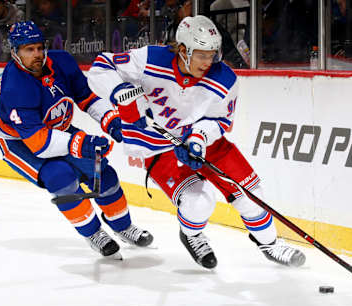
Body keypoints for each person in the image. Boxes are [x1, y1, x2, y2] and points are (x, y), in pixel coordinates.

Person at [87, 15, 306, 269]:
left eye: (212, 54)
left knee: (251, 195)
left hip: (207, 143)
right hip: (161, 148)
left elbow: (221, 120)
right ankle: (191, 234)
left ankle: (269, 244)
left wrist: (198, 138)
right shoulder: (151, 59)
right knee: (199, 203)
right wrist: (116, 89)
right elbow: (102, 66)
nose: (208, 61)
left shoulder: (224, 78)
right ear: (182, 50)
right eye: (201, 55)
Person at [0, 21, 154, 259]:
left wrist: (113, 121)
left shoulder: (62, 62)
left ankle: (123, 227)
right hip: (20, 142)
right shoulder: (15, 86)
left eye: (39, 47)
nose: (37, 54)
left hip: (57, 127)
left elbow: (86, 97)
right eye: (28, 50)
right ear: (15, 52)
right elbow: (39, 143)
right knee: (60, 177)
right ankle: (93, 233)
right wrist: (83, 143)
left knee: (104, 174)